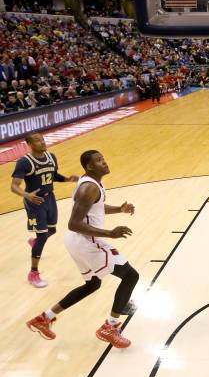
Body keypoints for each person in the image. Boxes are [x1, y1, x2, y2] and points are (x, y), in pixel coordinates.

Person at [26, 150, 139, 348]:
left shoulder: (93, 184)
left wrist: (119, 209)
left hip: (77, 241)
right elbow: (74, 223)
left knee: (92, 284)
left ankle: (45, 318)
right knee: (130, 276)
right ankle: (110, 327)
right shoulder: (88, 188)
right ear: (89, 167)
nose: (104, 162)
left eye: (103, 158)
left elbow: (96, 207)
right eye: (99, 161)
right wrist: (110, 233)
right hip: (86, 240)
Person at [10, 133, 78, 287]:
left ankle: (35, 242)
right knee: (42, 236)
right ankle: (33, 273)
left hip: (50, 198)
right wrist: (26, 195)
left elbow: (53, 176)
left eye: (42, 139)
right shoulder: (24, 162)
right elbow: (14, 186)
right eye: (37, 141)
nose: (42, 142)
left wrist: (67, 179)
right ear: (29, 144)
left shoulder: (51, 156)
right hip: (35, 201)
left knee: (51, 231)